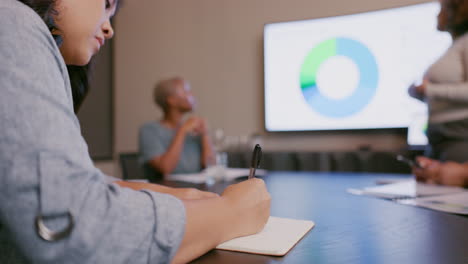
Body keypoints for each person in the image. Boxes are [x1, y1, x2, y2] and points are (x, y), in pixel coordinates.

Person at [0, 0, 271, 263]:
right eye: (106, 3)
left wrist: (166, 194)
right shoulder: (12, 21)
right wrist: (231, 212)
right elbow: (72, 228)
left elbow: (65, 182)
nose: (110, 28)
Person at [408, 0, 468, 163]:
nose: (437, 14)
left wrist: (429, 90)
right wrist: (422, 93)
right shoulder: (454, 47)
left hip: (457, 135)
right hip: (439, 137)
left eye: (441, 9)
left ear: (454, 12)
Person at [139, 77, 214, 181]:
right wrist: (182, 131)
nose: (192, 95)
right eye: (186, 91)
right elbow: (166, 168)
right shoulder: (149, 131)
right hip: (168, 192)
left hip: (198, 189)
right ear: (172, 100)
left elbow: (211, 166)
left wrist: (205, 134)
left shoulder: (194, 130)